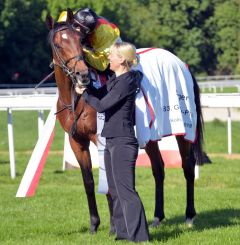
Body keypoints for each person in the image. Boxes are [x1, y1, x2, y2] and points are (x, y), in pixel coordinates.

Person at [80, 42, 150, 242]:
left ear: (122, 59)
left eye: (111, 55)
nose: (108, 58)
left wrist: (83, 94)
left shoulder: (127, 81)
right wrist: (84, 85)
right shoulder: (115, 79)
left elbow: (101, 105)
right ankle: (123, 234)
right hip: (111, 140)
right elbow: (99, 94)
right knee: (116, 191)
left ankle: (140, 237)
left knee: (126, 191)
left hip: (123, 142)